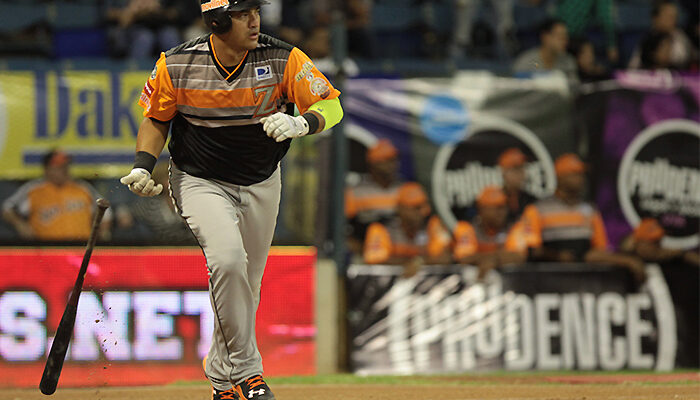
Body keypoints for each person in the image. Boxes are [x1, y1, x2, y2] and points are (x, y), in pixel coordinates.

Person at [119, 1, 343, 399]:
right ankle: (249, 373)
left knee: (247, 285)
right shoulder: (177, 63)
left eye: (255, 10)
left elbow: (331, 103)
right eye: (242, 14)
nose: (255, 20)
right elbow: (156, 118)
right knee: (227, 261)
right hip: (199, 179)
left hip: (262, 180)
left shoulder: (282, 57)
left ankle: (220, 378)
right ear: (217, 20)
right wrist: (142, 166)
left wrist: (302, 122)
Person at [519, 154, 646, 281]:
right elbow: (532, 250)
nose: (581, 179)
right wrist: (557, 256)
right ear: (561, 177)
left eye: (582, 174)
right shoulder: (538, 209)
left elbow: (600, 250)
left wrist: (626, 260)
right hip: (547, 278)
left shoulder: (590, 210)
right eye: (575, 174)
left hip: (585, 280)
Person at [2, 149, 111, 242]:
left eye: (65, 166)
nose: (64, 171)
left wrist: (103, 231)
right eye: (58, 167)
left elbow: (106, 211)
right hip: (47, 248)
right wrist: (20, 225)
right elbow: (7, 208)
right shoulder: (34, 189)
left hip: (80, 247)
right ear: (47, 169)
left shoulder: (82, 188)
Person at [363, 183, 452, 276]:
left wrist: (419, 262)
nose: (425, 212)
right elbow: (375, 260)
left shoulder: (433, 225)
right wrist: (407, 263)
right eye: (417, 208)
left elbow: (444, 258)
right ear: (401, 209)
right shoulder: (381, 228)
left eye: (425, 206)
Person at [453, 186, 527, 279]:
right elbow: (463, 258)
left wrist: (494, 259)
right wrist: (493, 258)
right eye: (498, 208)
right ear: (482, 209)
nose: (502, 213)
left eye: (504, 207)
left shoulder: (514, 227)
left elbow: (519, 256)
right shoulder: (467, 228)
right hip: (473, 282)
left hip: (508, 282)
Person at [345, 139, 402, 254]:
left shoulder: (403, 189)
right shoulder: (357, 192)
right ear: (373, 164)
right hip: (367, 249)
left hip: (398, 249)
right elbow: (345, 226)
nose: (392, 165)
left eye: (394, 160)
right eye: (386, 161)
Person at [628, 0, 698, 70]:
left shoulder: (681, 37)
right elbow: (634, 66)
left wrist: (668, 58)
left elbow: (686, 59)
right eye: (668, 16)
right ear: (655, 18)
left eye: (675, 16)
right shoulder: (647, 38)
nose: (673, 20)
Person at [554, 0, 618, 65]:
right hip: (567, 35)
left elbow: (605, 18)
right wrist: (611, 45)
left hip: (561, 33)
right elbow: (605, 18)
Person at [512, 18, 577, 80]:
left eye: (566, 36)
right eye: (560, 36)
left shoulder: (568, 62)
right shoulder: (526, 62)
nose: (565, 40)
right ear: (545, 37)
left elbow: (574, 85)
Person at [620, 218, 699, 266]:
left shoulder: (670, 257)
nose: (655, 246)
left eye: (657, 242)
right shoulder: (627, 259)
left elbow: (690, 257)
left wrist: (681, 253)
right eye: (651, 242)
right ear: (637, 242)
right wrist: (630, 262)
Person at [498, 148, 537, 224]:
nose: (521, 173)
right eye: (516, 169)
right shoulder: (495, 203)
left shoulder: (531, 200)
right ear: (504, 172)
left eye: (523, 168)